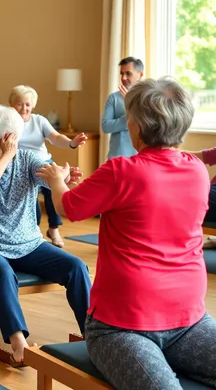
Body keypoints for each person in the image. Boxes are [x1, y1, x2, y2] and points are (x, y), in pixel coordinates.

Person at [38, 77, 216, 389]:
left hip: (189, 321)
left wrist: (56, 179)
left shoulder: (121, 171)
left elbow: (68, 206)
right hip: (120, 327)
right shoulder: (196, 171)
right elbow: (178, 160)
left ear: (137, 126)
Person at [0, 105, 91, 365]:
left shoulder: (28, 161)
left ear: (8, 137)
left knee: (76, 267)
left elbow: (50, 175)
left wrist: (60, 177)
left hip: (27, 244)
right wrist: (6, 156)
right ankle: (19, 346)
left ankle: (93, 336)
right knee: (3, 273)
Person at [9, 85, 87, 248]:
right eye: (19, 104)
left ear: (33, 105)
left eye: (27, 104)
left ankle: (54, 229)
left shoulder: (39, 121)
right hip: (22, 167)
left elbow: (55, 137)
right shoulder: (8, 122)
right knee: (30, 196)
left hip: (44, 162)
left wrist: (71, 143)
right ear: (11, 104)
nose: (24, 108)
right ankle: (34, 230)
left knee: (53, 188)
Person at [101, 56, 144, 158]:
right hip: (116, 157)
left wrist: (131, 105)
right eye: (122, 73)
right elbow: (106, 126)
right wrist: (130, 117)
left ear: (140, 74)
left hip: (141, 157)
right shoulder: (113, 98)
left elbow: (148, 124)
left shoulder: (148, 97)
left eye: (128, 73)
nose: (123, 78)